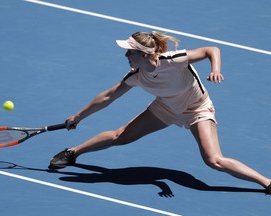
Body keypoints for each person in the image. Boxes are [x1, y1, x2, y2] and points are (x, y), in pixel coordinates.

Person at [49, 31, 271, 194]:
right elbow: (108, 97)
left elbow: (211, 50)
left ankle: (267, 183)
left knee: (213, 160)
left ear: (145, 54)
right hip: (166, 108)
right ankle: (73, 152)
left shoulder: (174, 60)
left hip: (197, 110)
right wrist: (79, 116)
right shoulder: (136, 76)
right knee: (120, 136)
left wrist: (215, 70)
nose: (126, 55)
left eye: (130, 52)